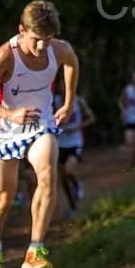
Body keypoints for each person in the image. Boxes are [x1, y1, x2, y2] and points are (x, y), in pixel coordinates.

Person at [0, 0, 79, 268]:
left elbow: (72, 63)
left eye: (48, 40)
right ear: (21, 30)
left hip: (40, 125)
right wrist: (8, 113)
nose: (42, 47)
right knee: (4, 199)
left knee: (47, 173)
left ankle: (35, 249)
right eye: (36, 40)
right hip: (4, 131)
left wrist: (67, 103)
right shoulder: (6, 55)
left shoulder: (58, 49)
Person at [54, 89, 95, 219]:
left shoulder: (78, 100)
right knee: (63, 179)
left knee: (68, 171)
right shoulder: (54, 101)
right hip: (59, 143)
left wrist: (77, 127)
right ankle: (72, 206)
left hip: (75, 143)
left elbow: (91, 118)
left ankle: (77, 183)